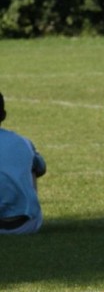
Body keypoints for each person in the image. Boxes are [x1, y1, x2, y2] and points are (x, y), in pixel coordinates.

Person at [0, 92, 47, 234]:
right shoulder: (23, 142)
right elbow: (41, 169)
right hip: (24, 225)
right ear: (3, 115)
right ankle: (23, 209)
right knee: (32, 166)